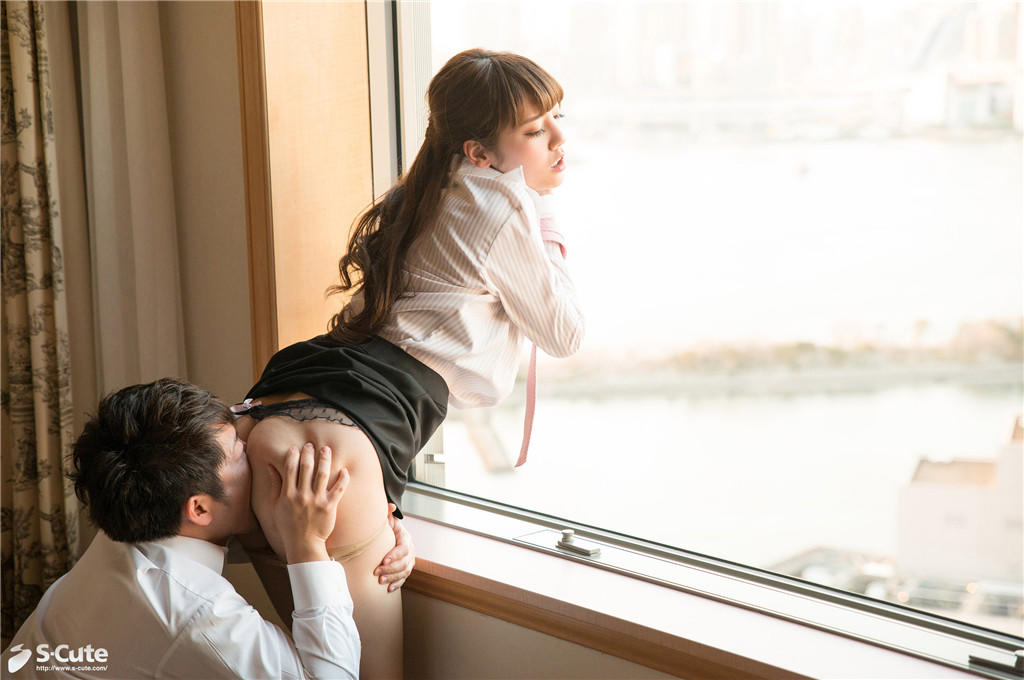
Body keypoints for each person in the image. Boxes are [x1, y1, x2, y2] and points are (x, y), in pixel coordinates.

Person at [237, 48, 585, 680]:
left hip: (275, 410)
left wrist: (386, 509)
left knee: (303, 663)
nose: (559, 140)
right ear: (479, 153)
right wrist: (547, 224)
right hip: (344, 442)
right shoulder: (502, 206)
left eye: (557, 118)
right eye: (536, 130)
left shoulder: (420, 192)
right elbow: (564, 332)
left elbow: (387, 346)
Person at [5, 378, 360, 679]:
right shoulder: (197, 614)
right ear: (200, 508)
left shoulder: (131, 519)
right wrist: (308, 545)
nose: (251, 445)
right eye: (238, 451)